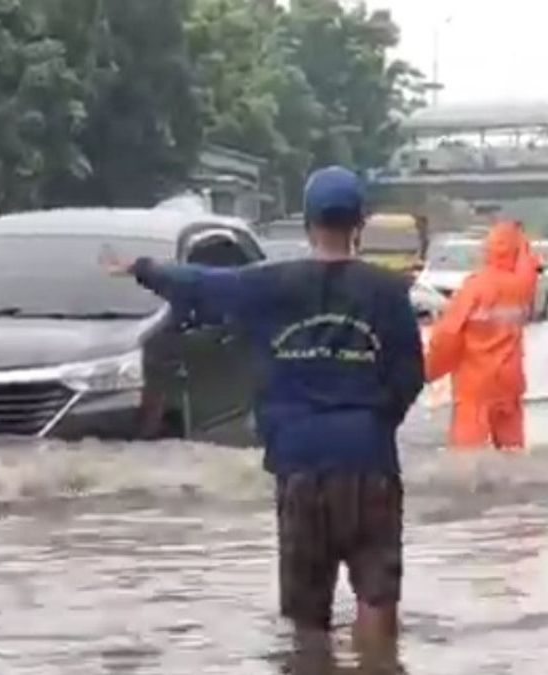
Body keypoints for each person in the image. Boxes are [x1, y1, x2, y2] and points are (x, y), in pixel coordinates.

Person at [100, 166, 424, 646]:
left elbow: (200, 282)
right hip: (369, 460)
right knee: (377, 597)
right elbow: (409, 377)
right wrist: (375, 421)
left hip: (299, 463)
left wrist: (141, 268)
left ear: (309, 222)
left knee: (308, 611)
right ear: (360, 224)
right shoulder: (388, 292)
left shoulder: (269, 284)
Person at [425, 220, 540, 450]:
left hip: (476, 384)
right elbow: (529, 266)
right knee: (511, 450)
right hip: (510, 380)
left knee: (468, 456)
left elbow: (448, 335)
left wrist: (428, 371)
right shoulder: (524, 287)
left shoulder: (476, 288)